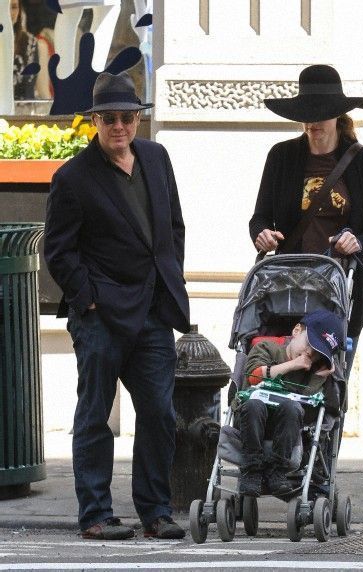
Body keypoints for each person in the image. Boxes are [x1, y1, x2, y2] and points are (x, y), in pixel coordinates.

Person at [44, 72, 190, 541]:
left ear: (137, 120)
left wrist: (170, 275)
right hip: (101, 315)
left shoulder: (156, 156)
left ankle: (156, 511)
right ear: (95, 122)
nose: (120, 127)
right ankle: (96, 515)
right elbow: (59, 251)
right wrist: (88, 299)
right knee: (95, 415)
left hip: (152, 310)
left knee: (159, 414)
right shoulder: (72, 178)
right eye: (109, 119)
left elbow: (173, 226)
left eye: (128, 118)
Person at [250, 64, 363, 377]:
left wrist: (358, 242)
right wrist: (262, 235)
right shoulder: (281, 156)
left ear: (338, 116)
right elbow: (259, 217)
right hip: (288, 289)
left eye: (321, 115)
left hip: (343, 288)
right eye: (307, 116)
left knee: (330, 382)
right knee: (285, 373)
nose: (313, 124)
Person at [237, 309, 343, 497]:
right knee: (255, 404)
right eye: (310, 345)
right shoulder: (267, 348)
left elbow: (308, 411)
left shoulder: (312, 373)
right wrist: (292, 365)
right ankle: (251, 469)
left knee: (292, 406)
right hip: (252, 420)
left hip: (287, 430)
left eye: (318, 354)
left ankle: (277, 470)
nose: (309, 354)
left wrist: (319, 378)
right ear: (296, 331)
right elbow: (253, 377)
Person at [11, 0, 52, 99]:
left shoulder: (35, 45)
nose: (9, 13)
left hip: (24, 112)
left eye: (14, 7)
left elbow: (44, 94)